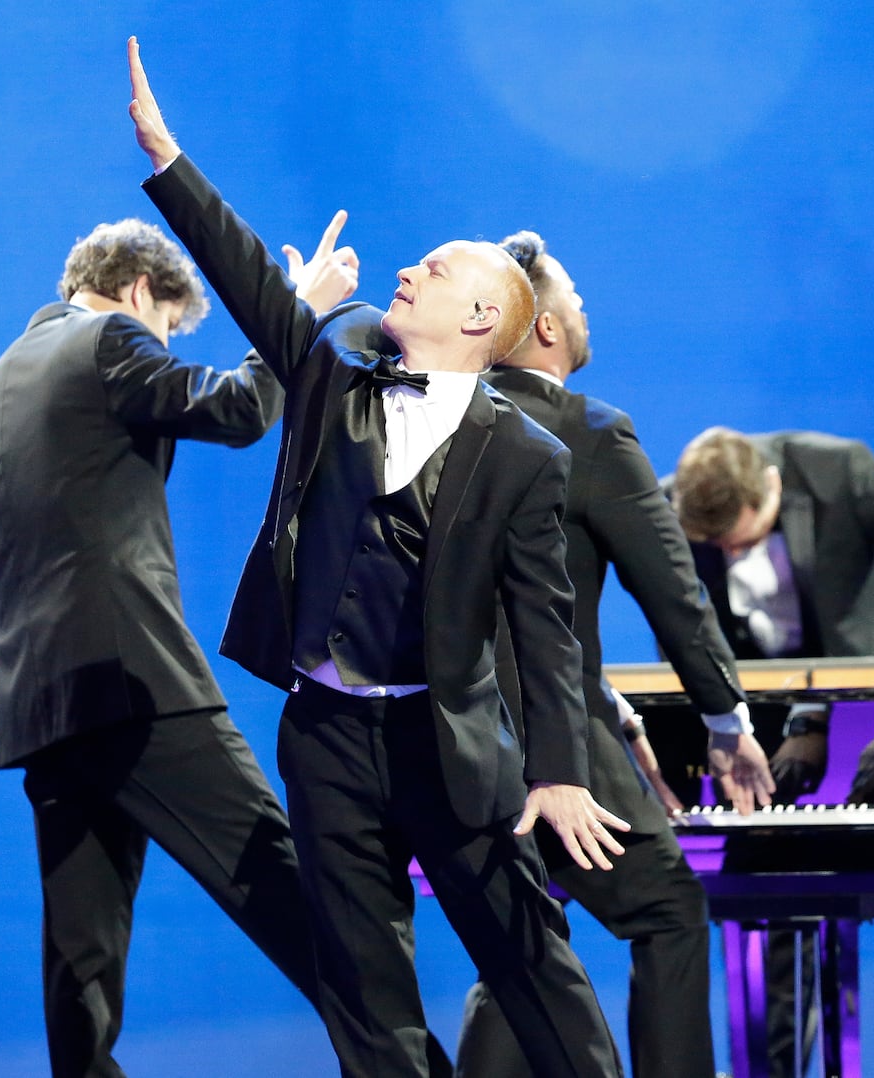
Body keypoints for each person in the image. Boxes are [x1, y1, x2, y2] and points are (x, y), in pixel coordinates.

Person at [126, 38, 632, 1078]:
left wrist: (560, 774)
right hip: (326, 737)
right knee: (364, 990)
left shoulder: (525, 455)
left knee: (533, 967)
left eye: (435, 269)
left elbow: (543, 625)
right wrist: (169, 159)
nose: (407, 270)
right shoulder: (335, 373)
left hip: (444, 742)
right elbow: (252, 284)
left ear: (483, 316)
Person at [0, 216, 374, 1077]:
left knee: (82, 962)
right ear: (142, 293)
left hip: (43, 711)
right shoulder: (107, 339)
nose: (167, 343)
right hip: (137, 687)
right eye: (172, 329)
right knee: (287, 889)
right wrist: (294, 312)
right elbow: (242, 407)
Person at [455, 231, 776, 1078]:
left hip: (446, 741)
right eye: (577, 297)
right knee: (667, 911)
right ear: (549, 328)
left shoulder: (444, 425)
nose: (585, 308)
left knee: (522, 936)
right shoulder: (590, 434)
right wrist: (725, 719)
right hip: (546, 741)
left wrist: (619, 713)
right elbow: (674, 596)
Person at [668, 424, 874, 1078]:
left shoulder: (840, 471)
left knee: (824, 891)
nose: (730, 553)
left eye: (742, 539)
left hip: (872, 719)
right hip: (755, 724)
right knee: (761, 895)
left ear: (774, 487)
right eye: (717, 546)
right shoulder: (674, 505)